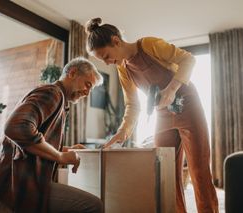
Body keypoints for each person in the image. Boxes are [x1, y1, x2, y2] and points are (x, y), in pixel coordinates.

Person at [84, 18, 219, 213]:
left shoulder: (148, 45)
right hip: (162, 111)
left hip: (187, 102)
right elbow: (132, 105)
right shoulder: (123, 69)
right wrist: (121, 134)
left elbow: (188, 59)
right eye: (102, 61)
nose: (107, 63)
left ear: (116, 41)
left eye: (106, 56)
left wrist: (172, 89)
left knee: (199, 171)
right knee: (165, 173)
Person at [0, 57, 104, 213]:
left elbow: (32, 144)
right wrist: (60, 157)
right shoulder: (53, 93)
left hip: (15, 185)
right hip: (10, 189)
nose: (87, 93)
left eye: (91, 88)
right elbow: (16, 127)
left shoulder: (58, 98)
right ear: (72, 73)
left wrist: (65, 150)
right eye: (87, 84)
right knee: (94, 206)